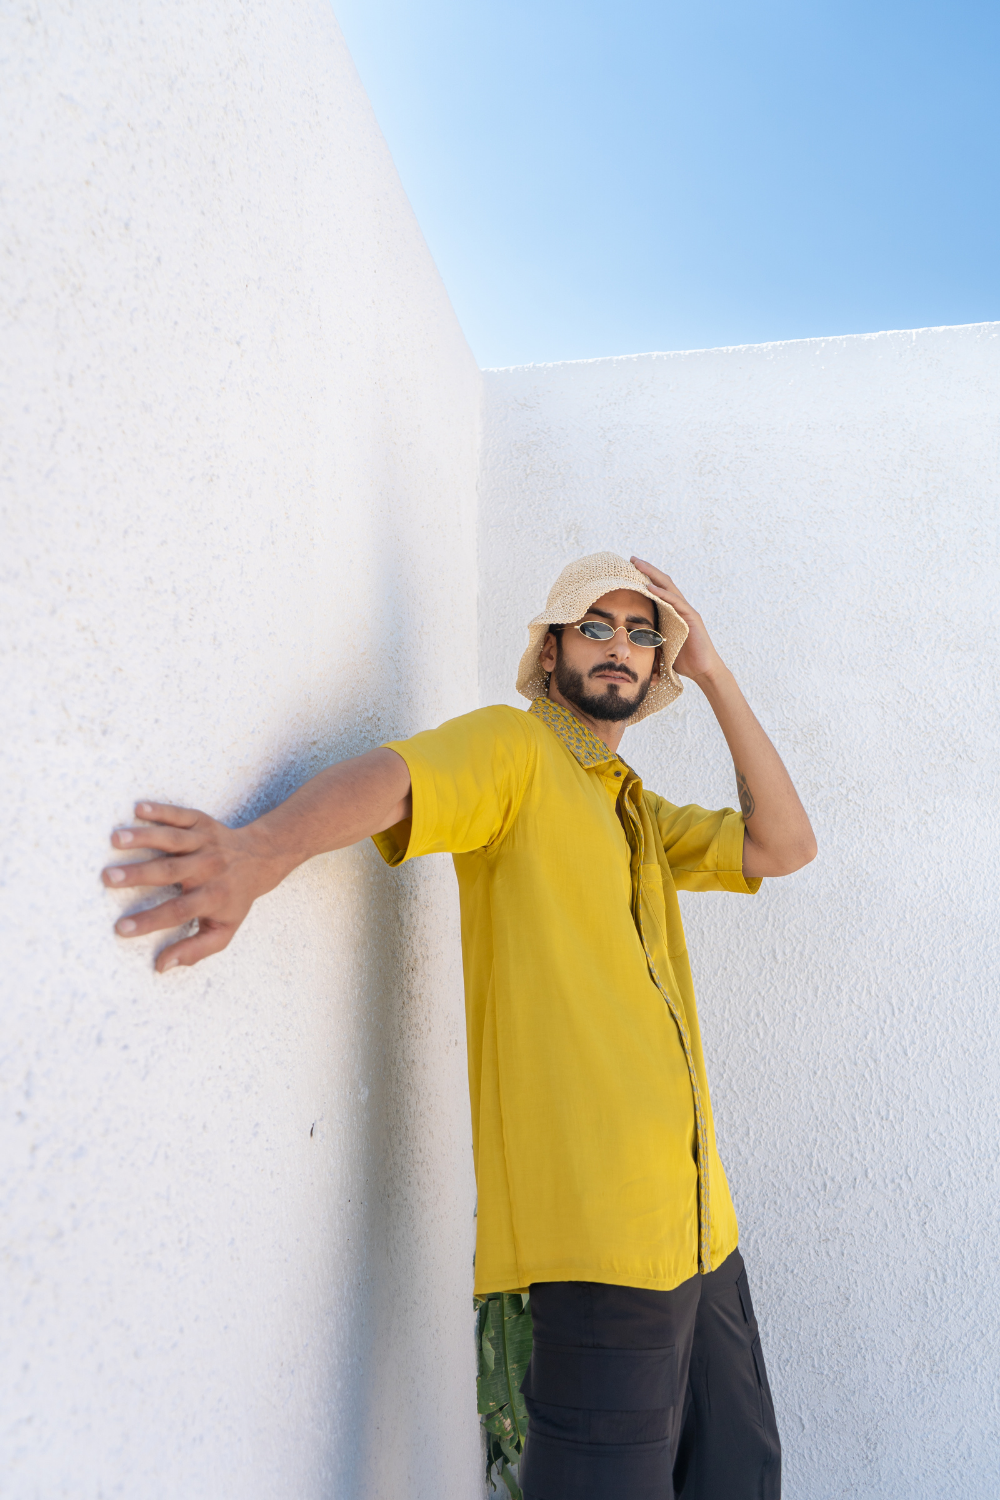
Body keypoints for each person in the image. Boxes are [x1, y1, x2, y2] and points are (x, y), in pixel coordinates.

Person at [104, 551, 816, 1499]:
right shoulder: (511, 751)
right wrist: (259, 850)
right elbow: (401, 779)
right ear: (552, 646)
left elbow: (785, 844)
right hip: (596, 1246)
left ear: (660, 670)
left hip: (703, 1234)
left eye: (645, 634)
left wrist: (717, 672)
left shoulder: (637, 811)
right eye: (595, 625)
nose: (620, 647)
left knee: (742, 1478)